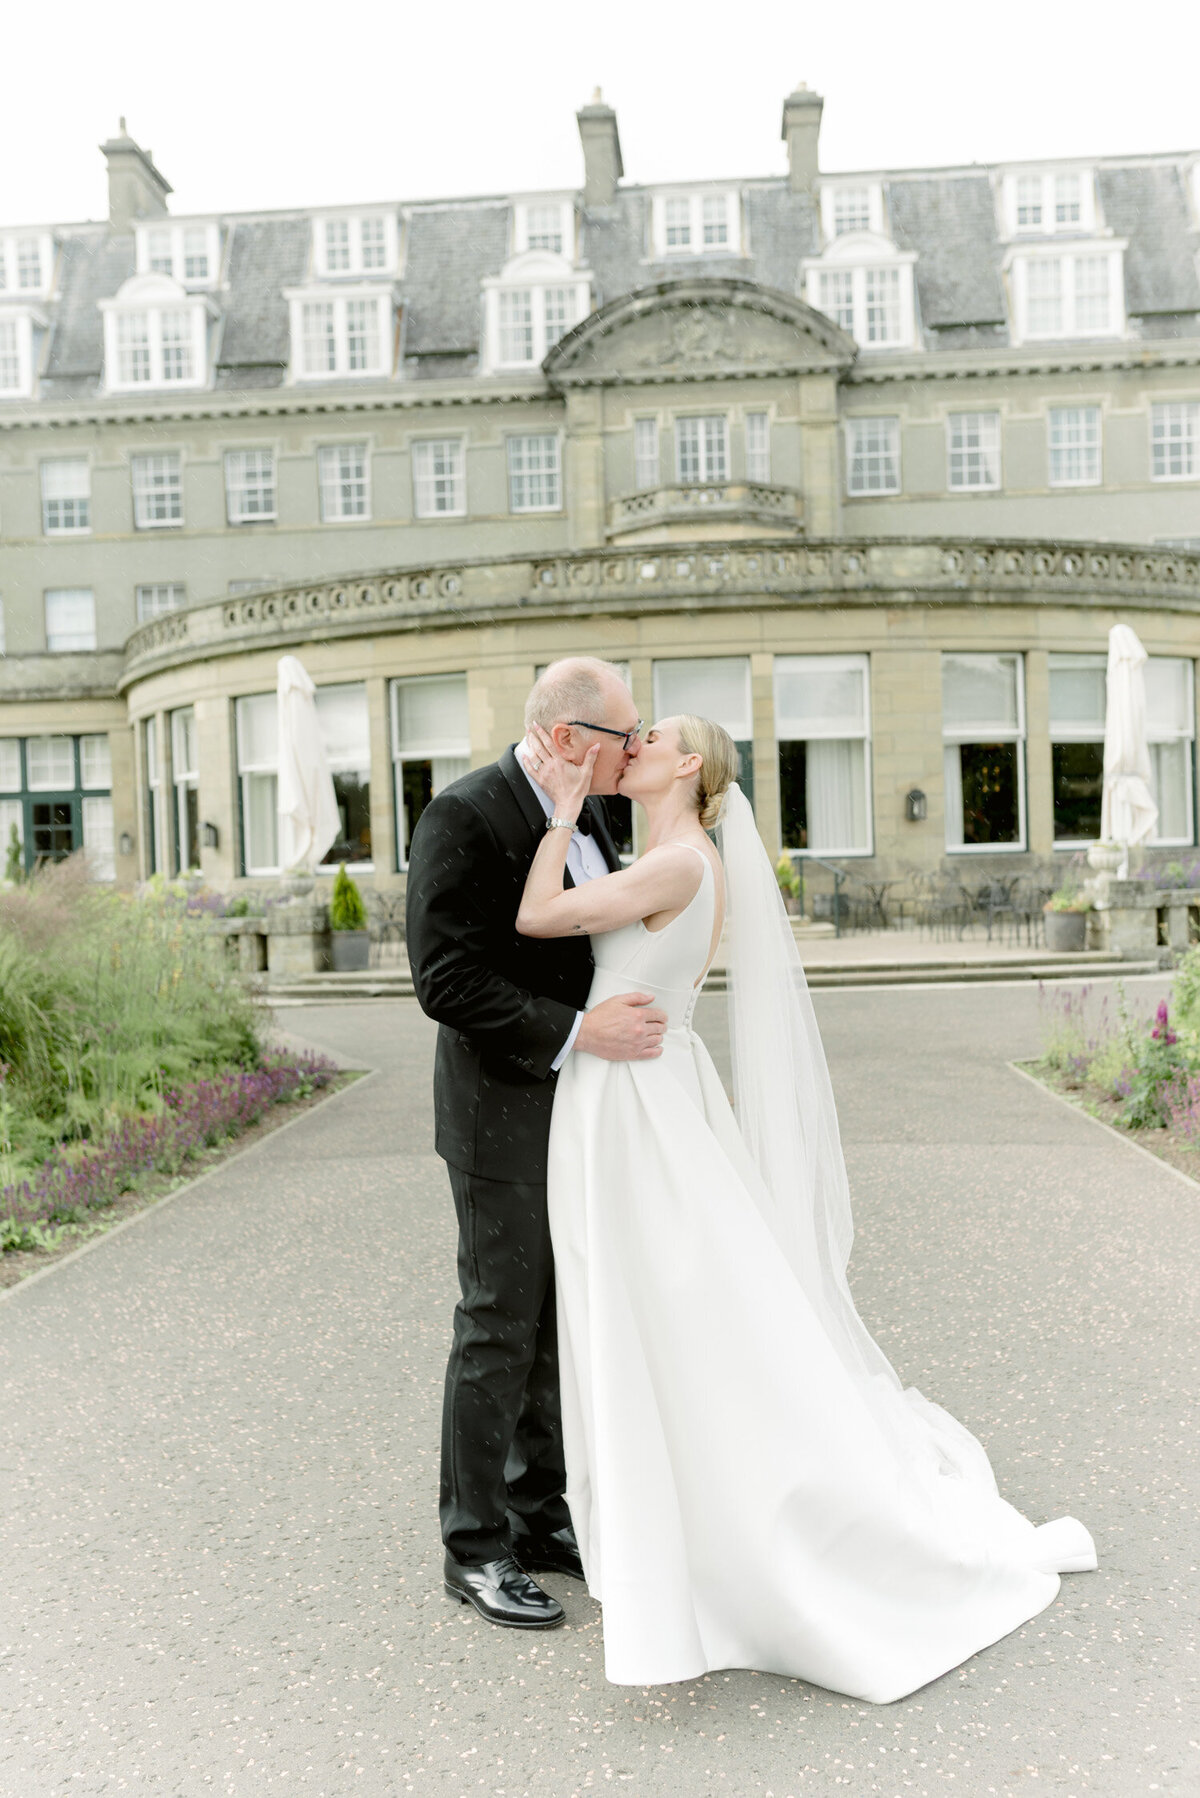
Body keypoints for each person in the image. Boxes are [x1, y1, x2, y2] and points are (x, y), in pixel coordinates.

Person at [514, 711, 1098, 1704]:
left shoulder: (678, 862)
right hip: (648, 1092)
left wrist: (561, 809)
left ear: (688, 764)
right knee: (667, 1316)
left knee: (655, 1314)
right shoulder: (679, 851)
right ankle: (676, 1524)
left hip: (637, 1108)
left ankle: (710, 1537)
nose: (634, 743)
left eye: (650, 735)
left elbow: (535, 914)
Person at [405, 657, 668, 1630]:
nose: (635, 750)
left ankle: (535, 1510)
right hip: (496, 1112)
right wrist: (576, 1033)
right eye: (623, 735)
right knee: (497, 1322)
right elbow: (445, 979)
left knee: (557, 1320)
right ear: (568, 737)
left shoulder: (591, 808)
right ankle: (471, 1548)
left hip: (577, 1108)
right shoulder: (464, 815)